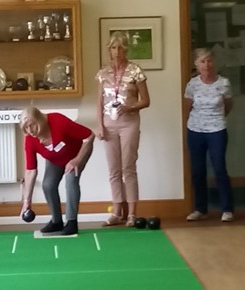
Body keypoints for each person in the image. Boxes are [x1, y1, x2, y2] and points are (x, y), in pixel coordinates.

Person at [96, 31, 151, 227]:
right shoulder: (103, 73)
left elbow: (146, 101)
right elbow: (100, 102)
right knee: (113, 169)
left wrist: (130, 107)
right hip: (109, 124)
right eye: (113, 47)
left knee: (128, 168)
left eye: (120, 47)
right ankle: (117, 211)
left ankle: (132, 214)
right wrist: (100, 126)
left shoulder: (135, 71)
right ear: (109, 50)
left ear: (126, 49)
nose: (117, 51)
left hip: (129, 123)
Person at [20, 107, 94, 235]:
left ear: (39, 120)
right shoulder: (30, 139)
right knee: (48, 185)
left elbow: (89, 136)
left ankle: (71, 222)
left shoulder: (58, 122)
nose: (30, 130)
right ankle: (56, 222)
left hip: (76, 155)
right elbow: (31, 171)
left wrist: (77, 160)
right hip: (55, 158)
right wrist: (27, 202)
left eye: (32, 125)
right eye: (26, 128)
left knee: (70, 180)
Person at [183, 48, 234, 222]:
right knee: (197, 171)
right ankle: (200, 209)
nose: (207, 65)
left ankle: (227, 209)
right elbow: (187, 107)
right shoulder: (192, 84)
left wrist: (215, 120)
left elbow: (228, 105)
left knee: (219, 168)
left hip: (217, 130)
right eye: (202, 61)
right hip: (195, 131)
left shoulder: (224, 83)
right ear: (196, 65)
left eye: (209, 61)